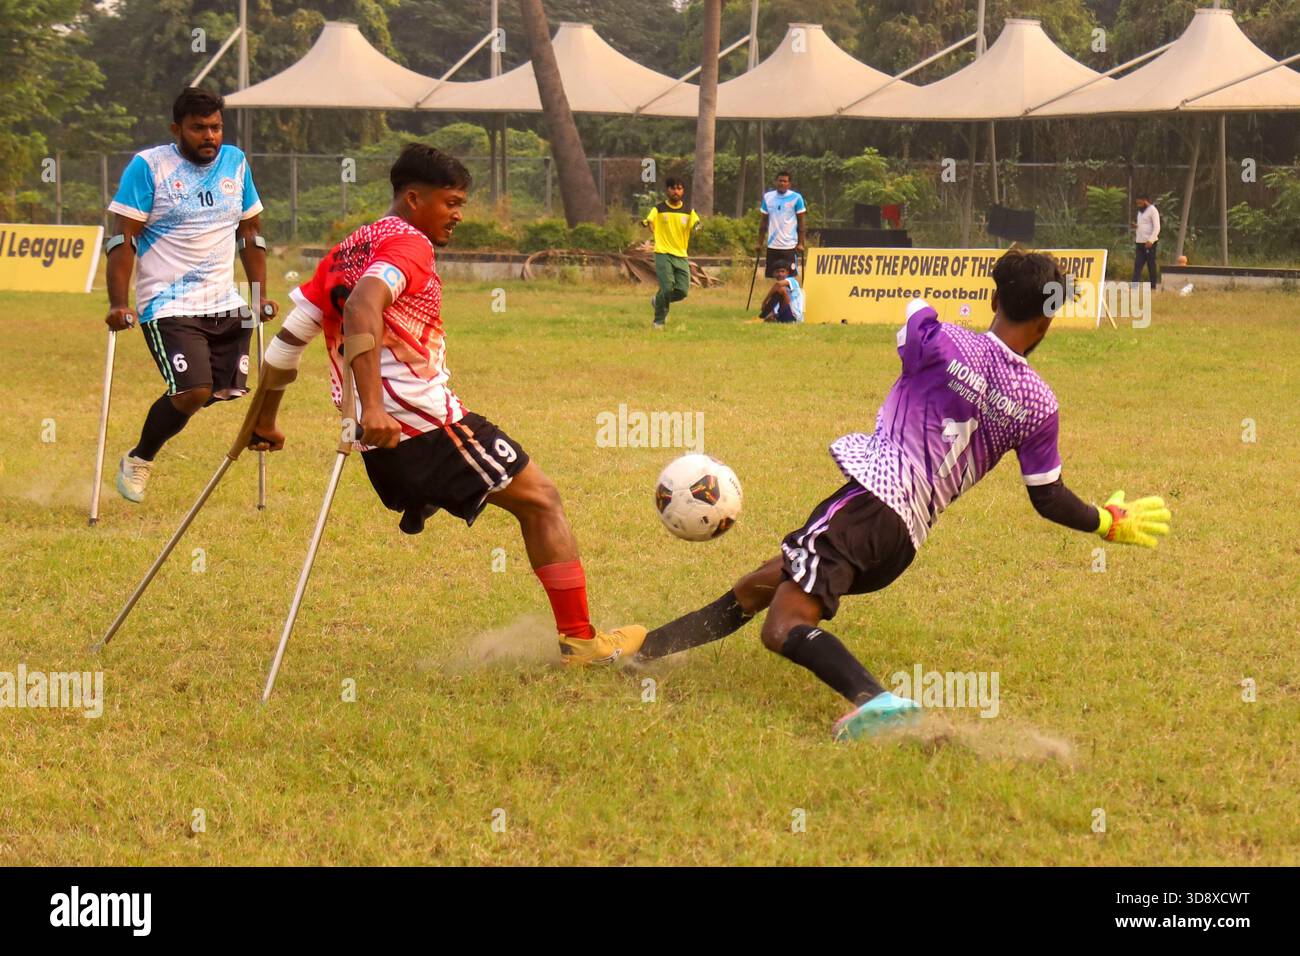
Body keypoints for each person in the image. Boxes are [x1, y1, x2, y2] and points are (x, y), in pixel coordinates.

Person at [636, 250, 1172, 740]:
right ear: (1049, 318)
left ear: (993, 299)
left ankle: (876, 701)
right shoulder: (1038, 402)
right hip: (903, 539)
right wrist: (1106, 520)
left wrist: (936, 311)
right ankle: (641, 654)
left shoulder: (938, 338)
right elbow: (1048, 497)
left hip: (869, 502)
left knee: (782, 628)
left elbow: (915, 313)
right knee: (759, 585)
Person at [250, 144, 644, 665]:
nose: (459, 215)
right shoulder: (407, 245)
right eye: (452, 202)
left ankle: (424, 498)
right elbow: (366, 305)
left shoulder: (348, 247)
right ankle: (581, 642)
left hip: (383, 445)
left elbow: (285, 345)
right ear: (414, 199)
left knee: (519, 493)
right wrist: (372, 405)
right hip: (421, 426)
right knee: (543, 500)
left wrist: (266, 420)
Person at [104, 87, 276, 503]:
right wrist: (118, 303)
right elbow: (122, 239)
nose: (210, 136)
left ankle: (171, 412)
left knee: (224, 390)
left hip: (225, 301)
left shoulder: (236, 162)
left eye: (216, 127)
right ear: (176, 129)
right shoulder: (149, 166)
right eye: (199, 128)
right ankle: (139, 458)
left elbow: (250, 234)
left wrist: (258, 295)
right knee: (193, 390)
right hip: (167, 303)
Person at [642, 177, 700, 330]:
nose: (676, 191)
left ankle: (657, 300)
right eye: (673, 188)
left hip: (681, 255)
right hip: (663, 253)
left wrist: (697, 228)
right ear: (667, 190)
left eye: (679, 188)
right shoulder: (659, 209)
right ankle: (658, 322)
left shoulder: (689, 211)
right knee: (667, 288)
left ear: (683, 191)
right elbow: (649, 220)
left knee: (682, 291)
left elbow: (696, 223)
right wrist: (651, 226)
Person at [757, 171, 806, 278]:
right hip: (772, 244)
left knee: (789, 277)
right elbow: (763, 222)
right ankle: (776, 295)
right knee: (774, 275)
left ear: (789, 184)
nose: (782, 183)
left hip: (789, 245)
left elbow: (801, 222)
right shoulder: (768, 197)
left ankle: (789, 294)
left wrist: (801, 243)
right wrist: (759, 243)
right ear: (776, 182)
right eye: (780, 181)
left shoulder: (796, 198)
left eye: (785, 181)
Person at [1132, 194, 1160, 288]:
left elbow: (1157, 227)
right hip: (1140, 242)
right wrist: (1136, 226)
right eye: (1137, 203)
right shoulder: (1140, 212)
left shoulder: (1152, 210)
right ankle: (1134, 285)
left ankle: (1153, 286)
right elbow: (1143, 224)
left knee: (1151, 265)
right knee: (1138, 264)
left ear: (1145, 201)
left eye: (1140, 203)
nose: (1138, 205)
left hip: (1149, 243)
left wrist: (1151, 240)